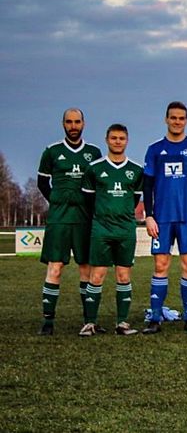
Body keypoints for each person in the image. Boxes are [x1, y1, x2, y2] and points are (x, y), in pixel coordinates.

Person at [142, 102, 187, 334]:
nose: (177, 121)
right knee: (161, 265)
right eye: (173, 118)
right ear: (166, 119)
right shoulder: (155, 149)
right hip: (162, 218)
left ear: (186, 120)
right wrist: (149, 216)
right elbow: (147, 184)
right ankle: (155, 318)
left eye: (181, 118)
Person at [37, 108, 103, 335]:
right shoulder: (52, 152)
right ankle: (48, 321)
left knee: (86, 268)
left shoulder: (93, 152)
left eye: (77, 122)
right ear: (63, 124)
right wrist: (58, 201)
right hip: (59, 220)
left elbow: (98, 185)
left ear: (84, 124)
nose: (73, 126)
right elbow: (42, 184)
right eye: (69, 122)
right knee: (55, 269)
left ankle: (88, 321)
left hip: (84, 221)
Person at [78, 124, 143, 336]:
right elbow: (88, 199)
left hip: (125, 229)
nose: (117, 141)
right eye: (114, 138)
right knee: (96, 276)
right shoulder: (95, 169)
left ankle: (122, 323)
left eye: (121, 138)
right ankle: (90, 323)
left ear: (127, 140)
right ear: (107, 140)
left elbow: (134, 199)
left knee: (124, 276)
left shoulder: (136, 170)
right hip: (101, 229)